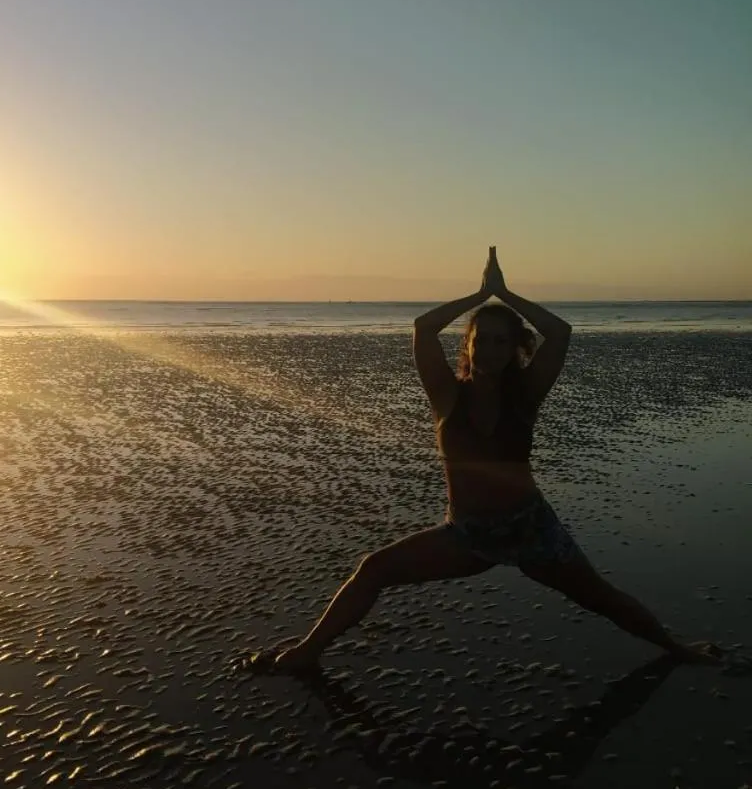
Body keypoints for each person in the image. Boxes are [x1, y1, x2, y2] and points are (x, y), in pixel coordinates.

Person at [268, 247, 721, 672]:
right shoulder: (447, 396)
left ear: (514, 348)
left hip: (530, 528)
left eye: (502, 343)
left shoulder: (526, 395)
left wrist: (505, 295)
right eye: (481, 341)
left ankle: (678, 650)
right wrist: (479, 296)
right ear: (467, 345)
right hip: (468, 534)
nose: (490, 351)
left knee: (599, 596)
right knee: (373, 569)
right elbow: (423, 328)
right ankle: (304, 654)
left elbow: (560, 331)